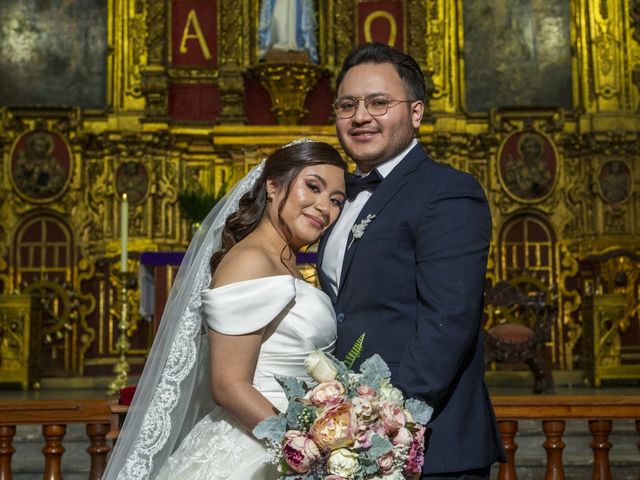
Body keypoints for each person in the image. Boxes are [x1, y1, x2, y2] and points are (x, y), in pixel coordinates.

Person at [102, 139, 346, 480]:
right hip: (259, 442)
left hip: (287, 436)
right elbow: (229, 385)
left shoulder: (283, 259)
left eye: (336, 200)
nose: (324, 207)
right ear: (273, 187)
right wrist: (303, 449)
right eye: (313, 187)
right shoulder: (250, 259)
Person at [318, 43, 505, 479]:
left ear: (416, 113)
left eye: (379, 102)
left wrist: (380, 425)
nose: (360, 116)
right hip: (345, 441)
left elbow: (448, 323)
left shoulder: (448, 192)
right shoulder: (334, 196)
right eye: (348, 105)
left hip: (425, 442)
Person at [503, 132, 553, 199]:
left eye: (530, 147)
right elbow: (511, 185)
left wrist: (539, 181)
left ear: (537, 149)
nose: (527, 150)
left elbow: (548, 187)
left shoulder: (542, 166)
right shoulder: (516, 166)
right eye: (525, 148)